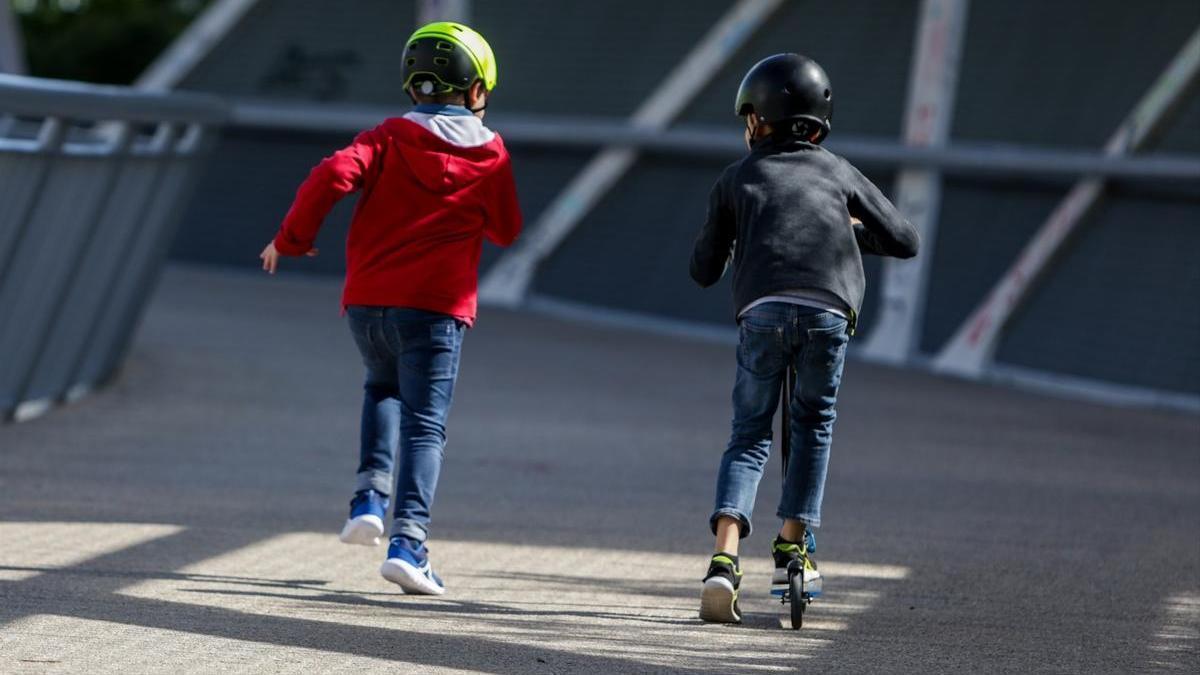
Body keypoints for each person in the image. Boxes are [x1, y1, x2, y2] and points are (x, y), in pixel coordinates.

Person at [259, 21, 521, 595]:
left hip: (368, 302)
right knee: (426, 425)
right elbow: (506, 230)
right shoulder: (492, 154)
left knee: (381, 389)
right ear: (477, 91)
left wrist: (292, 239)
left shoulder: (385, 137)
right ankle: (409, 543)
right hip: (436, 309)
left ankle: (368, 500)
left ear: (412, 84)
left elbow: (331, 174)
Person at [690, 53, 919, 622]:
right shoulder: (839, 171)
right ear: (818, 124)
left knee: (748, 435)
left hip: (763, 314)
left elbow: (702, 269)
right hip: (827, 312)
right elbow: (904, 239)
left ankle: (723, 563)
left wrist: (743, 232)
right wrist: (841, 232)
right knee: (812, 424)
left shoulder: (736, 178)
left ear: (757, 122)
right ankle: (794, 547)